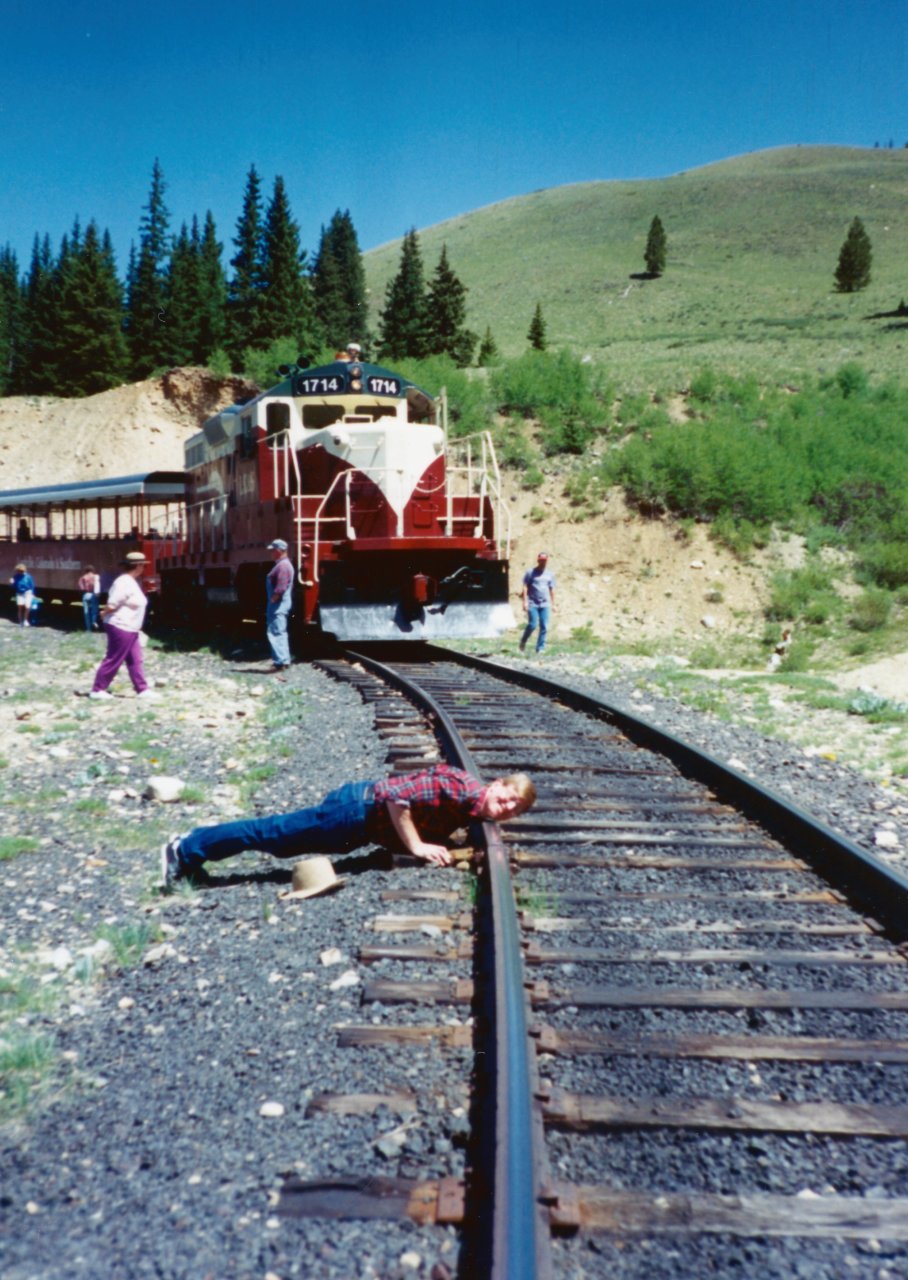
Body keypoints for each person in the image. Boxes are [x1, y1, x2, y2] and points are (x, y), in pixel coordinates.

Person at [160, 763, 536, 889]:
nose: (504, 808)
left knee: (280, 842)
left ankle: (194, 854)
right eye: (506, 798)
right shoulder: (460, 786)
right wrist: (419, 846)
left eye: (511, 810)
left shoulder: (473, 807)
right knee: (271, 834)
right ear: (496, 784)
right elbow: (395, 796)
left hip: (357, 822)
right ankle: (186, 847)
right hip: (355, 810)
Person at [89, 551, 156, 700]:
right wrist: (104, 612)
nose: (144, 568)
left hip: (131, 628)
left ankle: (142, 689)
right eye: (143, 566)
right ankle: (98, 689)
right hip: (121, 625)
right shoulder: (123, 581)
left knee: (135, 659)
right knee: (114, 658)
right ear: (138, 566)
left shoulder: (130, 581)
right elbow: (113, 603)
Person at [520, 551, 556, 654]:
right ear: (538, 560)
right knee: (532, 624)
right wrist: (525, 602)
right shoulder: (530, 573)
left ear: (547, 561)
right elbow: (525, 586)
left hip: (545, 604)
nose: (542, 562)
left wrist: (553, 604)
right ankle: (523, 641)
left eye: (544, 560)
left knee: (544, 626)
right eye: (541, 560)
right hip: (532, 603)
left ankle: (540, 648)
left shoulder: (550, 574)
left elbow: (552, 589)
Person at [266, 538, 294, 671]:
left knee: (276, 632)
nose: (271, 553)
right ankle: (284, 660)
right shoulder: (284, 564)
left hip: (278, 605)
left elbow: (281, 587)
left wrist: (273, 599)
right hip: (280, 604)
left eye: (272, 550)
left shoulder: (282, 566)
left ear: (278, 551)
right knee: (280, 631)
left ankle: (280, 662)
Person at [78, 565, 101, 631]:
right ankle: (93, 622)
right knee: (94, 610)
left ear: (86, 571)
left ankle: (88, 629)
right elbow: (97, 586)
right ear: (92, 570)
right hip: (93, 595)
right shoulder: (95, 577)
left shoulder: (82, 578)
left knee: (86, 612)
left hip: (85, 595)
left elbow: (81, 588)